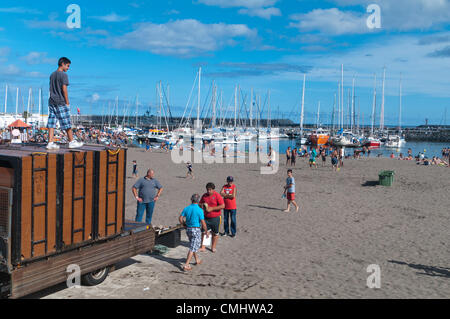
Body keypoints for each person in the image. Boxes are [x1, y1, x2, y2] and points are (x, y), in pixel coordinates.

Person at [46, 57, 83, 150]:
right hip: (60, 101)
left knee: (52, 122)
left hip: (51, 101)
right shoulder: (63, 75)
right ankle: (71, 141)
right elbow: (64, 89)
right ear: (62, 64)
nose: (68, 68)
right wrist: (67, 102)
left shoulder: (52, 75)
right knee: (66, 122)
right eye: (67, 66)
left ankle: (50, 143)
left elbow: (51, 89)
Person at [179, 194, 209, 271]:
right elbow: (203, 222)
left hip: (188, 229)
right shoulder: (199, 210)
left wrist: (183, 225)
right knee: (193, 247)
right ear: (198, 201)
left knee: (193, 244)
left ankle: (197, 260)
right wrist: (206, 231)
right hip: (196, 229)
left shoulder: (186, 208)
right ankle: (186, 265)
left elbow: (180, 218)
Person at [199, 183, 225, 253]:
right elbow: (199, 204)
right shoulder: (204, 196)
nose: (208, 191)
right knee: (204, 232)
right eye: (207, 190)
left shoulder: (217, 195)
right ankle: (203, 247)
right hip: (206, 218)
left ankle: (213, 247)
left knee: (215, 233)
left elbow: (222, 206)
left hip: (216, 218)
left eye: (210, 190)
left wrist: (212, 208)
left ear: (213, 190)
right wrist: (202, 205)